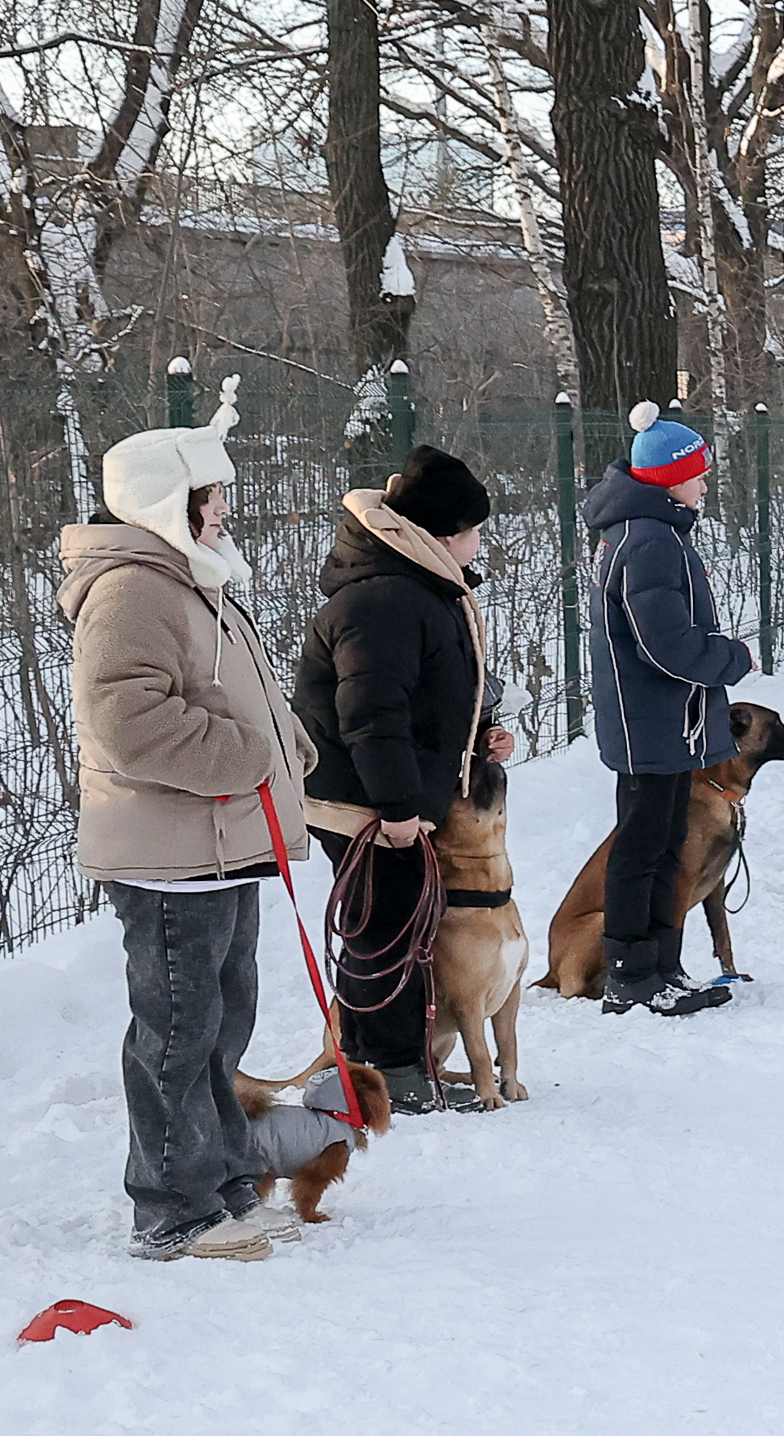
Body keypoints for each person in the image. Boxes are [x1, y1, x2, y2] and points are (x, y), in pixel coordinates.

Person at [55, 383, 315, 1260]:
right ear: (172, 500)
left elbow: (232, 695)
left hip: (222, 845)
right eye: (213, 496)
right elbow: (128, 721)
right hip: (169, 854)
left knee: (222, 1019)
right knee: (176, 1031)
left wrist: (291, 750)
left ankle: (225, 1181)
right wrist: (247, 759)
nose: (227, 509)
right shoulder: (133, 586)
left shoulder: (188, 577)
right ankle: (173, 1207)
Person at [293, 445, 513, 1107]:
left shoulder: (418, 587)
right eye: (476, 529)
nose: (481, 541)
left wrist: (477, 741)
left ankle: (378, 1062)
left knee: (397, 923)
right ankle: (390, 1072)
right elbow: (373, 716)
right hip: (362, 804)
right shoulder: (384, 599)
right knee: (383, 929)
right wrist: (394, 808)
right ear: (445, 532)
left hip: (392, 797)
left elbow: (431, 697)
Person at [582, 402, 755, 1014]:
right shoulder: (650, 540)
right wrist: (729, 659)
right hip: (651, 722)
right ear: (668, 478)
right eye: (699, 473)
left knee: (662, 841)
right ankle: (631, 976)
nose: (706, 483)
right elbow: (664, 643)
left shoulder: (647, 532)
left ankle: (660, 965)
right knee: (642, 845)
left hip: (660, 721)